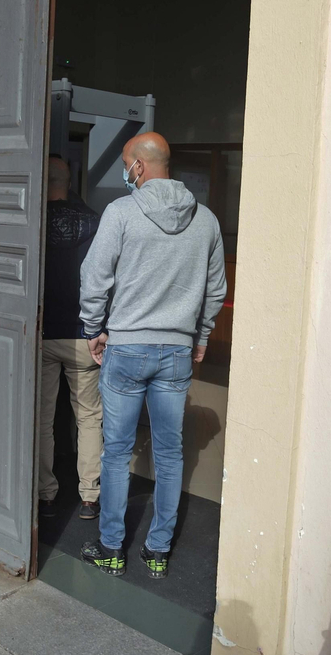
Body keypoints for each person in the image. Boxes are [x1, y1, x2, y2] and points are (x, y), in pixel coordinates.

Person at [78, 132, 226, 579]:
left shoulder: (120, 212)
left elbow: (95, 277)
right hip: (177, 351)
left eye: (126, 163)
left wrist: (92, 328)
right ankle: (158, 551)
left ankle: (110, 549)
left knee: (116, 452)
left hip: (125, 348)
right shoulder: (207, 221)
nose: (125, 172)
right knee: (170, 453)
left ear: (138, 167)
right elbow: (215, 290)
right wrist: (200, 336)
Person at [39, 154, 104, 522]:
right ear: (68, 180)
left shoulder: (28, 219)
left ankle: (44, 493)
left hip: (43, 332)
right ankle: (89, 497)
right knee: (89, 418)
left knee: (43, 418)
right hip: (84, 334)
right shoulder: (95, 222)